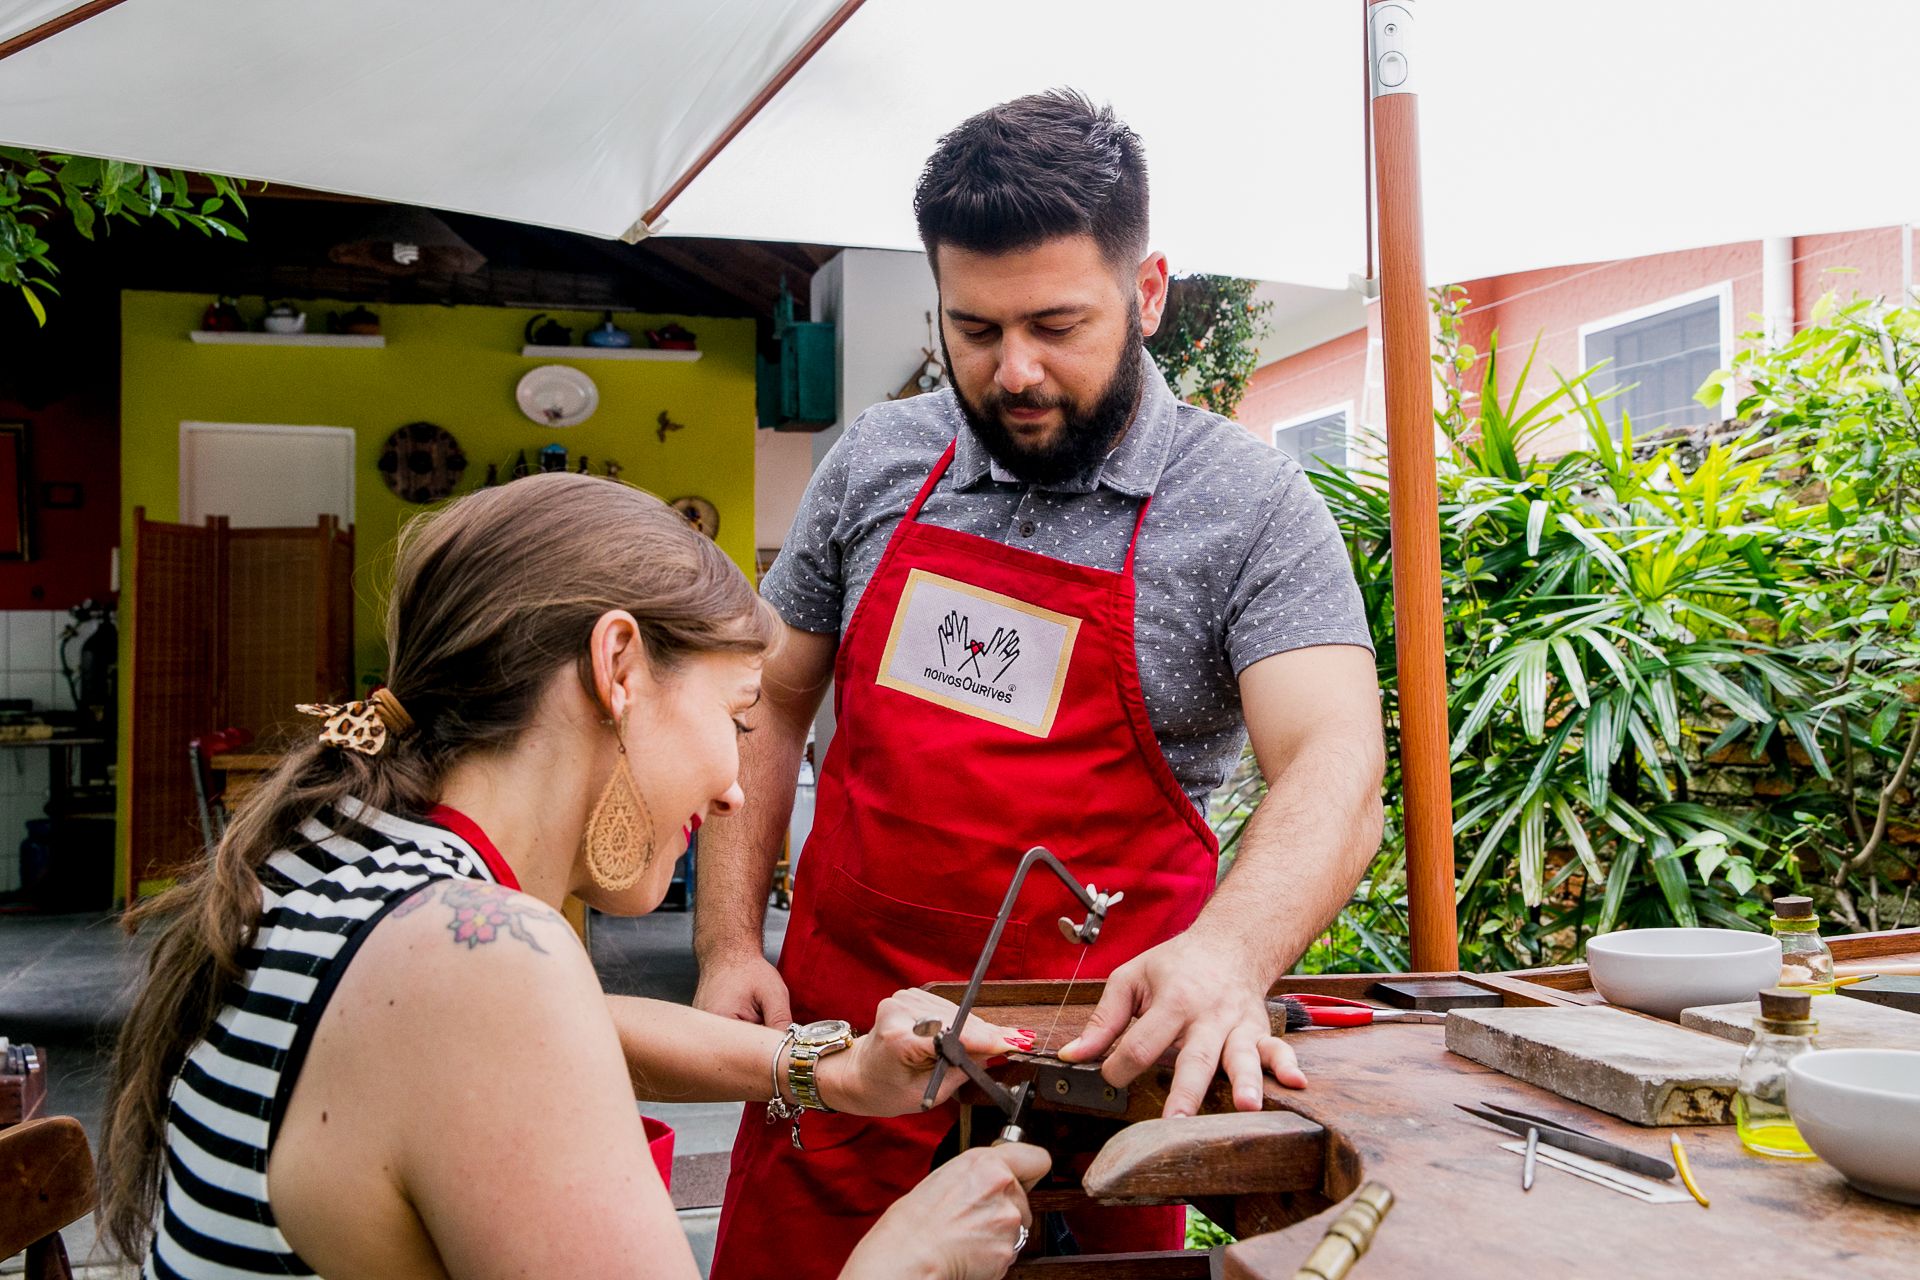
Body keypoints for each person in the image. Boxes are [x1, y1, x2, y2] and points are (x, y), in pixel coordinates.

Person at [697, 90, 1387, 1278]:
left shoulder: (1251, 510)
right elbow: (761, 700)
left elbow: (1337, 762)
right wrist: (724, 942)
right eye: (975, 329)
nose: (1013, 370)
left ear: (1150, 290)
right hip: (851, 1042)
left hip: (1095, 1083)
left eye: (1057, 324)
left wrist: (1229, 956)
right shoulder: (877, 460)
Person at [97, 473, 1049, 1280]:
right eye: (739, 717)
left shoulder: (344, 855)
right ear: (619, 666)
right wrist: (911, 1256)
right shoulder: (473, 961)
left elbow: (570, 1031)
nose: (731, 791)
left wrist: (827, 1068)